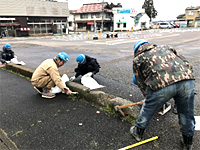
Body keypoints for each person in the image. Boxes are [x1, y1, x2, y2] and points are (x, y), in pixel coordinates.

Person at [130, 40, 195, 150]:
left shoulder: (138, 59)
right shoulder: (166, 47)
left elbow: (140, 82)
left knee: (147, 109)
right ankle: (188, 143)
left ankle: (138, 132)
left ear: (137, 50)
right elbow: (186, 63)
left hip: (161, 85)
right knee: (186, 114)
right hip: (186, 81)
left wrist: (150, 99)